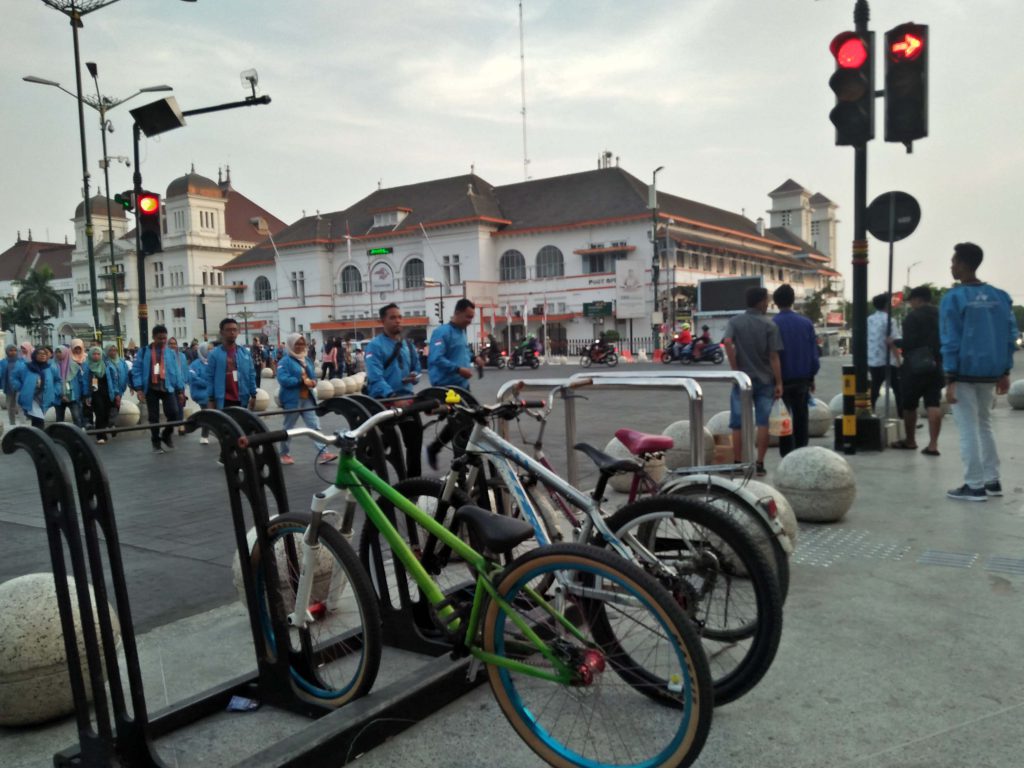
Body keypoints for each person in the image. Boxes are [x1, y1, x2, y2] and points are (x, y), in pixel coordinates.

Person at [940, 242, 1017, 501]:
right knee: (984, 423)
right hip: (991, 373)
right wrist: (1005, 371)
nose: (951, 266)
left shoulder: (954, 298)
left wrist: (949, 377)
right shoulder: (1001, 296)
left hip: (963, 373)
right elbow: (1010, 335)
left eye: (954, 261)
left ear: (963, 264)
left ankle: (973, 485)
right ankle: (992, 480)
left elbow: (950, 338)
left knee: (967, 428)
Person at [723, 287, 783, 476]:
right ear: (761, 302)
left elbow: (727, 342)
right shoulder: (770, 325)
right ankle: (759, 463)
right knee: (763, 422)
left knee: (737, 423)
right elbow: (774, 356)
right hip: (765, 379)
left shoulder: (735, 321)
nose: (767, 304)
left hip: (741, 380)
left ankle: (738, 462)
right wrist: (779, 382)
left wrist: (735, 369)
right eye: (766, 301)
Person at [425, 298, 484, 469]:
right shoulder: (442, 332)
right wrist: (458, 369)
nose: (470, 321)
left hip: (462, 387)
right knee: (463, 424)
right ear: (457, 313)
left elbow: (462, 352)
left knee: (463, 422)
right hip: (447, 387)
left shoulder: (461, 332)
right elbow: (436, 358)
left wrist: (475, 358)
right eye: (467, 317)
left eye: (472, 317)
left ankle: (435, 448)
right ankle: (460, 466)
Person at [894, 286, 944, 455]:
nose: (911, 304)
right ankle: (933, 444)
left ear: (918, 299)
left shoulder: (912, 318)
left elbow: (909, 343)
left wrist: (895, 342)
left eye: (912, 301)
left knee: (909, 405)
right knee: (933, 403)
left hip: (915, 367)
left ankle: (910, 440)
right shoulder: (942, 315)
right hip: (936, 364)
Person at [771, 284, 820, 457]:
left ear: (775, 302)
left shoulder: (772, 324)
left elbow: (771, 355)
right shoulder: (806, 323)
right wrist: (812, 376)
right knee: (801, 416)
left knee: (784, 418)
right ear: (793, 300)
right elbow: (813, 353)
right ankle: (801, 452)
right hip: (802, 379)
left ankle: (786, 455)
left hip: (780, 381)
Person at [276, 333, 337, 466]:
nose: (299, 346)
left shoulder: (307, 360)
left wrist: (313, 382)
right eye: (297, 343)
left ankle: (324, 453)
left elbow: (313, 377)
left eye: (302, 343)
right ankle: (284, 454)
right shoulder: (284, 361)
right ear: (291, 345)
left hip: (308, 398)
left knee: (314, 426)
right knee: (289, 428)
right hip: (292, 400)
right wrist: (300, 381)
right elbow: (282, 379)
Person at [131, 324, 186, 453]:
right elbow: (137, 370)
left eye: (164, 338)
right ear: (153, 337)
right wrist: (138, 389)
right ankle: (155, 442)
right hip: (151, 388)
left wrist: (180, 390)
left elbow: (176, 372)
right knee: (153, 417)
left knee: (173, 413)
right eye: (159, 338)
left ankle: (166, 435)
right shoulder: (144, 352)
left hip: (168, 388)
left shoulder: (170, 353)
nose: (162, 341)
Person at [366, 303, 421, 399]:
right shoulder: (375, 345)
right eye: (392, 318)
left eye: (400, 317)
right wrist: (392, 396)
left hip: (406, 396)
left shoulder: (408, 344)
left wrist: (414, 376)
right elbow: (375, 377)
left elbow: (416, 368)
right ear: (383, 321)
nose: (398, 321)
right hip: (384, 399)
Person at [205, 318, 258, 412]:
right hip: (223, 399)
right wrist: (211, 399)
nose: (232, 332)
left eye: (234, 329)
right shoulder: (214, 354)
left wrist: (253, 395)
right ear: (221, 332)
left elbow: (251, 374)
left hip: (242, 398)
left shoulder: (245, 353)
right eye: (228, 330)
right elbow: (210, 378)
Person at [868, 293, 902, 415]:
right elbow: (893, 341)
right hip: (888, 361)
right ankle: (902, 416)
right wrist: (899, 361)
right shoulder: (890, 320)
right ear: (887, 304)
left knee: (874, 389)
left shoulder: (869, 319)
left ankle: (869, 412)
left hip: (873, 360)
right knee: (898, 390)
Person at [13, 346, 59, 429]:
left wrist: (55, 391)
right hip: (31, 397)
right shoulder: (26, 367)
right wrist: (20, 388)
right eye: (40, 353)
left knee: (37, 419)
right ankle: (40, 437)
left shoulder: (51, 367)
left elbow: (58, 380)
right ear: (34, 355)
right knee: (38, 418)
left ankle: (35, 437)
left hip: (45, 397)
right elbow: (14, 377)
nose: (43, 355)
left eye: (44, 354)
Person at [53, 344, 87, 428]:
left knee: (76, 417)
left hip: (73, 396)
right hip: (59, 397)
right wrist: (60, 394)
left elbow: (81, 381)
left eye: (60, 352)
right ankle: (58, 435)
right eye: (56, 352)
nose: (58, 354)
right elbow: (52, 383)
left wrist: (84, 394)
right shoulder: (52, 366)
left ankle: (78, 434)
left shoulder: (74, 366)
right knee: (59, 418)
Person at [188, 342, 212, 445]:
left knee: (212, 413)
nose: (211, 352)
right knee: (207, 412)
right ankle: (204, 435)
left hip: (211, 392)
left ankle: (208, 430)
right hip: (200, 393)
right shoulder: (195, 364)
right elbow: (193, 379)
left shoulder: (213, 362)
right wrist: (207, 383)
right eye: (209, 350)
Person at [104, 344, 130, 438]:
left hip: (120, 389)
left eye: (115, 350)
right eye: (111, 350)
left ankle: (111, 424)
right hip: (110, 390)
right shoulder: (105, 363)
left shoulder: (122, 362)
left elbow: (126, 374)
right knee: (113, 406)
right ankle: (112, 424)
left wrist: (130, 386)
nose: (113, 352)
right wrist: (115, 392)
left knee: (116, 406)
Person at [169, 337, 190, 435]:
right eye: (170, 344)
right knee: (172, 407)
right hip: (169, 385)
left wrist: (185, 381)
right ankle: (172, 423)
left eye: (174, 343)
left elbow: (185, 369)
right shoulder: (165, 356)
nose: (173, 345)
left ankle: (181, 425)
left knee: (180, 405)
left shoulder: (181, 356)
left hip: (180, 384)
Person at [1, 344, 25, 426]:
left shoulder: (22, 361)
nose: (13, 352)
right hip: (8, 387)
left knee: (21, 405)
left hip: (20, 387)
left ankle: (23, 424)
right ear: (7, 351)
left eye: (15, 350)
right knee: (10, 406)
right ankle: (12, 423)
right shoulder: (3, 362)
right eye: (10, 350)